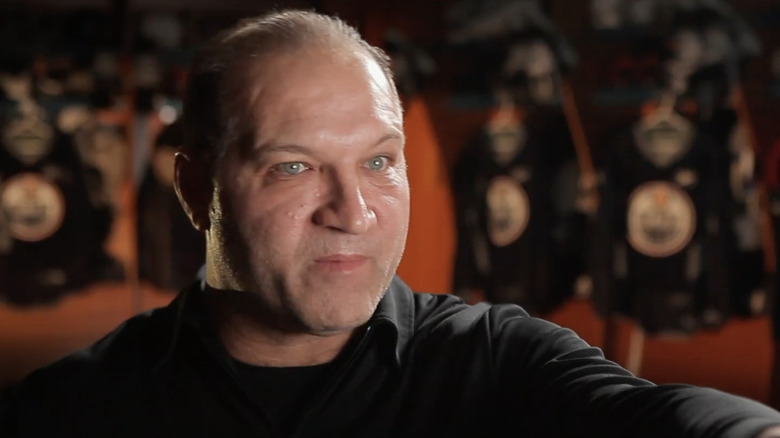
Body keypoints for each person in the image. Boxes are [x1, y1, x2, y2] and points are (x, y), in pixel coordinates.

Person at [1, 9, 780, 438]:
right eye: (294, 167)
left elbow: (652, 418)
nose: (356, 211)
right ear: (196, 185)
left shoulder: (499, 362)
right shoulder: (72, 411)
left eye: (379, 161)